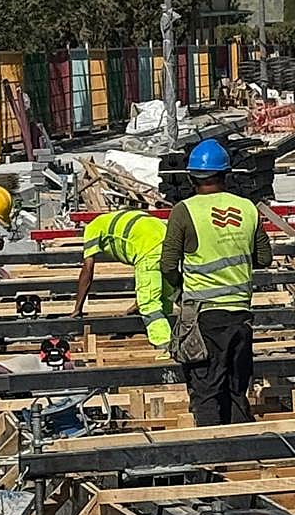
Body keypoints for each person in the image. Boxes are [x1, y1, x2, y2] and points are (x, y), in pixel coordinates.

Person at [160, 139, 272, 426]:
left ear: (191, 177)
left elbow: (168, 265)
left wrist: (178, 289)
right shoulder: (247, 209)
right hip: (240, 318)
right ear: (226, 173)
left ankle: (212, 460)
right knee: (235, 390)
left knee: (206, 391)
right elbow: (264, 258)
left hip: (205, 318)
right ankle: (241, 459)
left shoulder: (184, 211)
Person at [71, 209, 174, 349]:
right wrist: (134, 306)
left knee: (149, 303)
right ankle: (173, 335)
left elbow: (87, 271)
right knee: (165, 297)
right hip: (169, 238)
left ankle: (164, 345)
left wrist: (77, 309)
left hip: (149, 248)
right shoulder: (111, 219)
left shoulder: (91, 229)